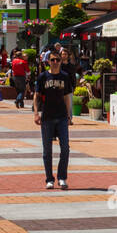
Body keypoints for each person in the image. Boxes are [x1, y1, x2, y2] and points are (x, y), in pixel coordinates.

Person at [34, 52, 73, 190]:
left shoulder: (65, 77)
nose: (55, 62)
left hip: (61, 116)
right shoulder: (43, 77)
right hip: (47, 117)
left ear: (61, 61)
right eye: (53, 60)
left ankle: (62, 178)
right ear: (48, 61)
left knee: (65, 148)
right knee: (47, 150)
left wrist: (68, 115)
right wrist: (36, 113)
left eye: (57, 59)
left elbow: (67, 96)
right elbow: (37, 96)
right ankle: (49, 179)